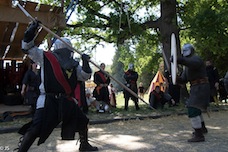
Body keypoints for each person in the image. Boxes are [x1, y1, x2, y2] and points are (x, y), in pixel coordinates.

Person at [16, 21, 98, 151]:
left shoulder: (74, 64)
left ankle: (84, 145)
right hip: (48, 101)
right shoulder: (45, 57)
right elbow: (27, 47)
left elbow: (85, 76)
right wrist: (32, 30)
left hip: (66, 100)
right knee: (36, 128)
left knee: (82, 121)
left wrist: (85, 62)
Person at [174, 43, 210, 142]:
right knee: (196, 108)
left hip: (201, 87)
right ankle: (202, 128)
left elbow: (192, 63)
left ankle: (199, 135)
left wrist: (179, 60)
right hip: (196, 87)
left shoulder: (196, 59)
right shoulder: (187, 66)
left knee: (192, 108)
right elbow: (184, 79)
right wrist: (176, 79)